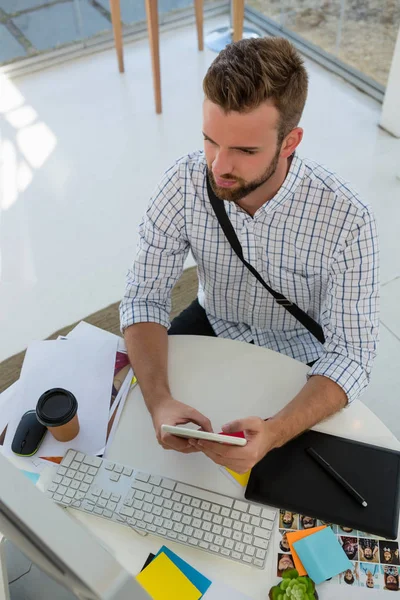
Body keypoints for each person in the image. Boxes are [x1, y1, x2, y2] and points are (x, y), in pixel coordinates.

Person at [120, 37, 379, 474]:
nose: (219, 166)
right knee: (134, 448)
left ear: (290, 141)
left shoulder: (347, 219)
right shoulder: (183, 184)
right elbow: (144, 297)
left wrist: (276, 431)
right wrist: (160, 400)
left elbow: (352, 354)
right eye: (210, 140)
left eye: (244, 150)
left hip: (300, 349)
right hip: (213, 320)